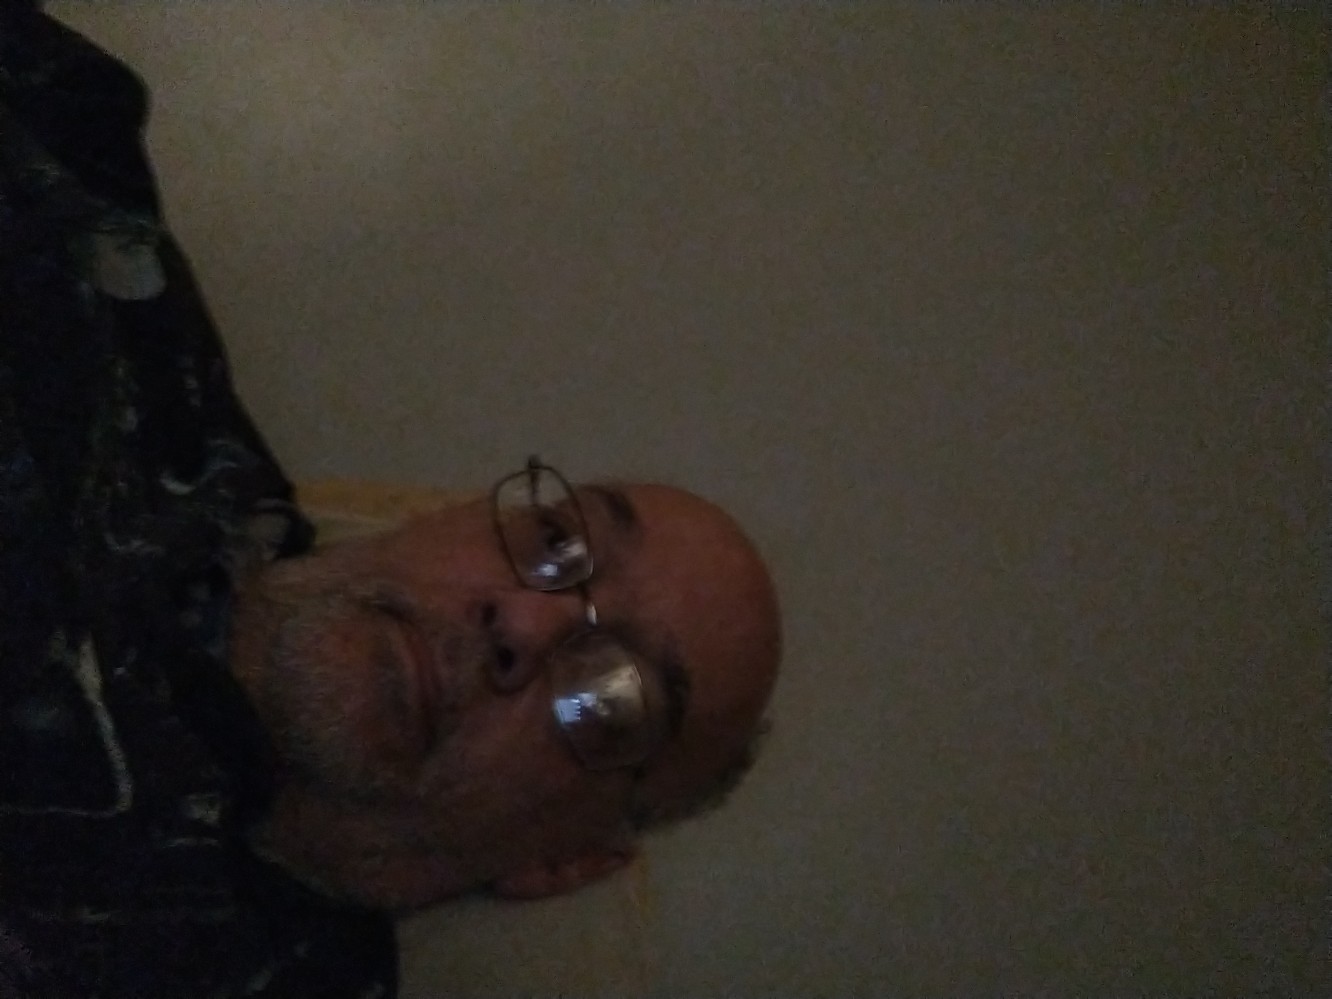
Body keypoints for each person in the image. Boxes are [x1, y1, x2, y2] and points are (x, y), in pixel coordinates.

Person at [0, 6, 779, 997]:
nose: (526, 621)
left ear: (565, 862)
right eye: (554, 539)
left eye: (612, 701)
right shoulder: (133, 325)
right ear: (447, 515)